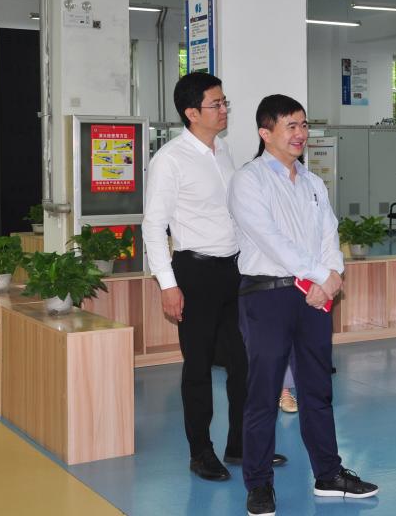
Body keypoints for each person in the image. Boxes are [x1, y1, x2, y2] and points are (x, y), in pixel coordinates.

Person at [229, 94, 378, 516]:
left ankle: (328, 474)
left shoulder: (313, 183)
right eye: (291, 126)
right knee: (263, 393)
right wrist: (320, 276)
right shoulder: (249, 180)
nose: (301, 134)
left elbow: (329, 234)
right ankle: (259, 484)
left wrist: (332, 277)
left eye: (304, 125)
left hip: (314, 297)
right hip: (268, 295)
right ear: (265, 133)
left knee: (317, 389)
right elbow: (270, 240)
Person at [141, 72, 286, 482]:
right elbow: (153, 226)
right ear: (191, 113)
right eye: (216, 104)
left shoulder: (224, 151)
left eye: (225, 103)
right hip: (194, 272)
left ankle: (240, 444)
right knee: (198, 366)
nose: (224, 110)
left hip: (233, 270)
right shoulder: (170, 159)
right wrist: (168, 285)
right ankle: (200, 452)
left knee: (243, 362)